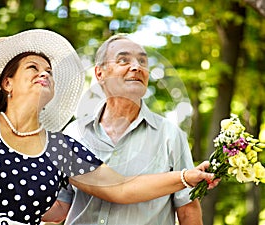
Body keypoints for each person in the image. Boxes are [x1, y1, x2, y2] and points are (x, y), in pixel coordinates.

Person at [0, 30, 218, 225]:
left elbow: (121, 188)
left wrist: (185, 177)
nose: (45, 74)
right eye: (33, 67)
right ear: (7, 82)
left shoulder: (60, 148)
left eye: (49, 71)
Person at [41, 34, 218, 225]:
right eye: (123, 60)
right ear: (100, 74)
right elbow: (58, 210)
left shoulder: (170, 135)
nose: (137, 67)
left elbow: (188, 211)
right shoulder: (73, 134)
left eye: (142, 61)